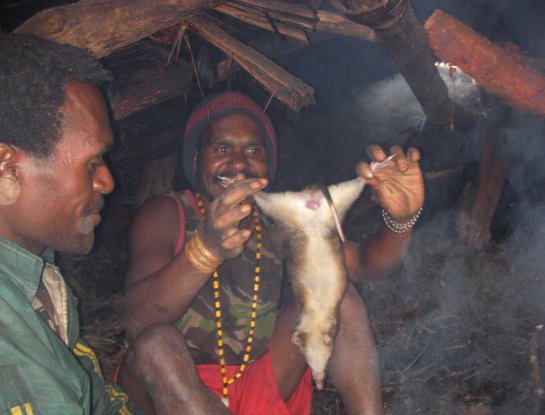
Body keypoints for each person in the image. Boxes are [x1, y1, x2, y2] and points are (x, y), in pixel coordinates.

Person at [120, 91, 425, 415]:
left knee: (338, 297)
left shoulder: (279, 223)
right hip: (171, 391)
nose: (238, 162)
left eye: (253, 150)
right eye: (222, 148)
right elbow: (141, 320)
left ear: (268, 165)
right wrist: (207, 248)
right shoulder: (167, 213)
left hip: (254, 384)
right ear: (196, 161)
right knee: (156, 347)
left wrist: (400, 221)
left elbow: (365, 267)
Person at [0, 34, 231, 415]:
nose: (107, 181)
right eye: (91, 163)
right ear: (7, 166)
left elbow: (95, 393)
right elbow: (140, 316)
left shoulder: (36, 270)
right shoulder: (11, 346)